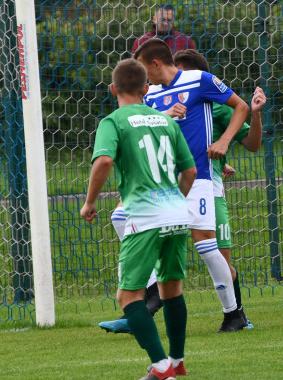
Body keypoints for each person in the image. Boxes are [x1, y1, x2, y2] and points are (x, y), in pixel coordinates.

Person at [101, 38, 251, 334]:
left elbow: (240, 107)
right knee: (120, 217)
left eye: (144, 70)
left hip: (198, 177)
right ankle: (153, 290)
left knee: (208, 248)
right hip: (162, 181)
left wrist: (223, 141)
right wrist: (165, 116)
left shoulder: (199, 80)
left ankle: (234, 314)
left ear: (155, 63)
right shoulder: (152, 95)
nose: (144, 79)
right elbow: (146, 127)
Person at [80, 59, 197, 380]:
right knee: (171, 287)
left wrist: (90, 202)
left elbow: (104, 160)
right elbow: (189, 172)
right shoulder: (166, 122)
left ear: (113, 89)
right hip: (177, 213)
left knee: (127, 297)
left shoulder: (114, 121)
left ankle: (161, 368)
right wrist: (174, 203)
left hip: (145, 216)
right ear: (147, 89)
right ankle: (178, 360)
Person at [177, 48, 266, 332]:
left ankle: (237, 315)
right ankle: (139, 310)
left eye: (176, 72)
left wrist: (254, 115)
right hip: (174, 189)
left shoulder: (218, 106)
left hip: (211, 193)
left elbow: (252, 145)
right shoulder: (166, 103)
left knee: (221, 261)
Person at [131, 4, 196, 55]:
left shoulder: (184, 40)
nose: (165, 23)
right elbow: (135, 67)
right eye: (162, 20)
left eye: (169, 20)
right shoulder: (142, 41)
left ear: (174, 21)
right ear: (154, 19)